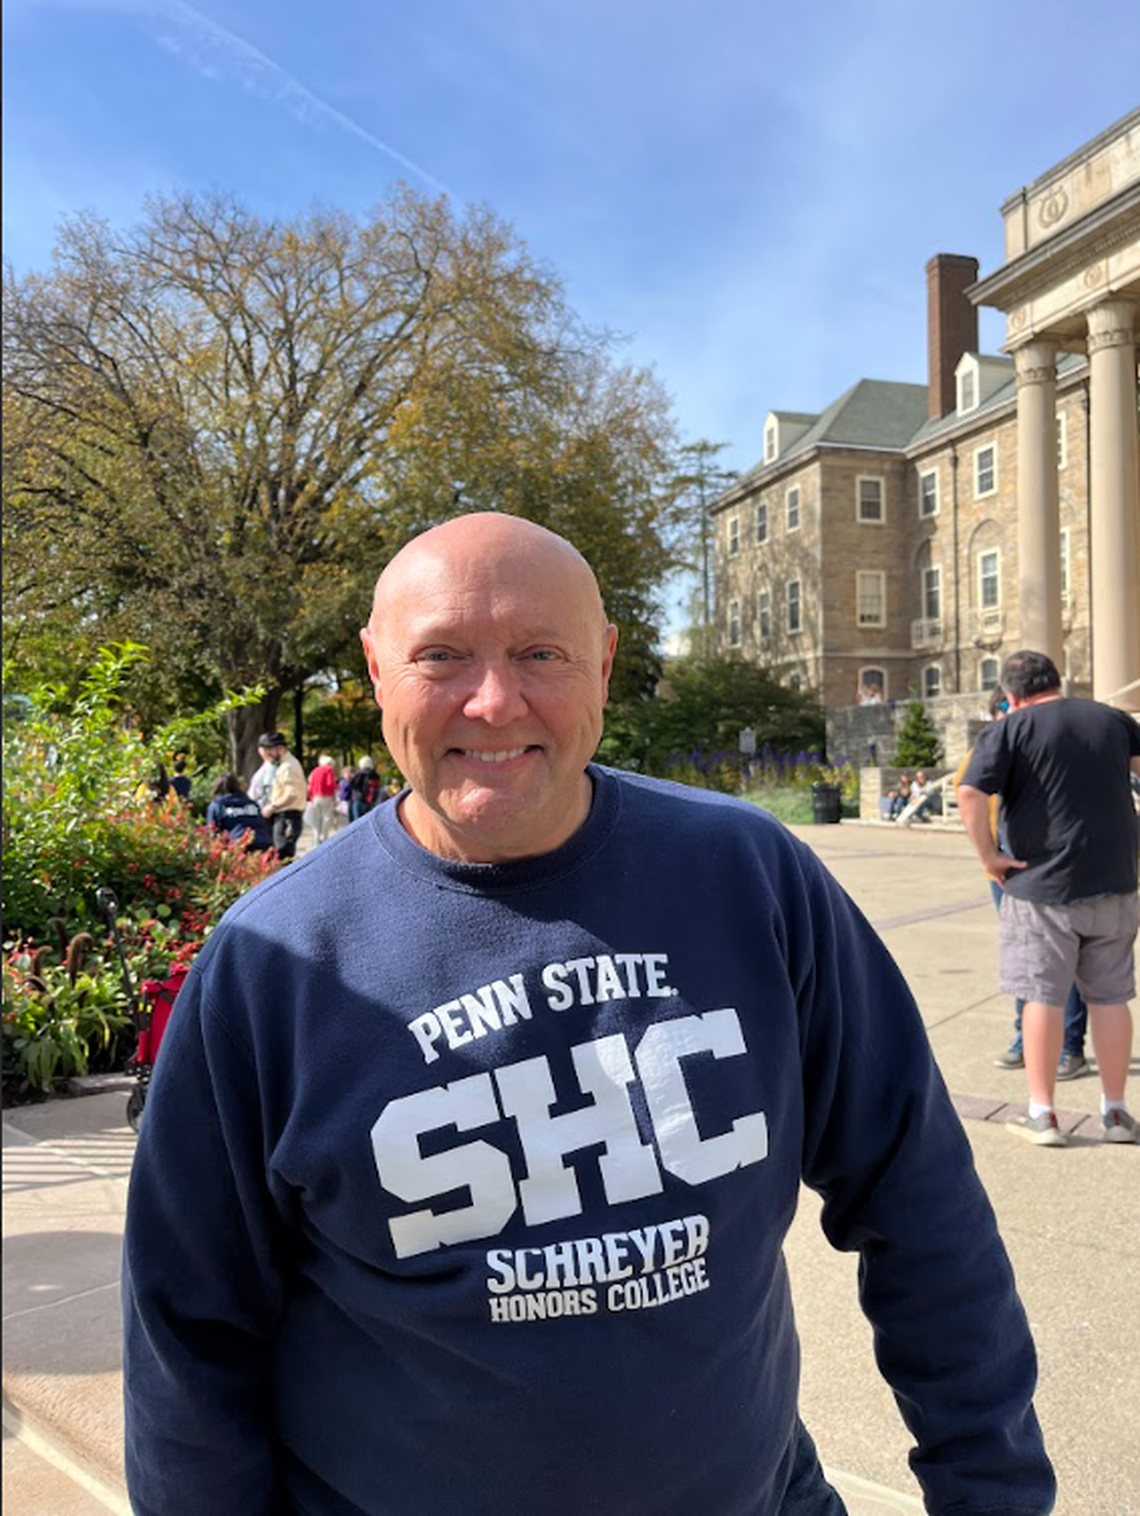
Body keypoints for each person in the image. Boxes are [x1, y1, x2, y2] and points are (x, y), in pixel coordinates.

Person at [122, 514, 1054, 1516]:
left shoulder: (748, 877)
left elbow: (920, 1202)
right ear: (376, 669)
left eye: (540, 653)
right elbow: (188, 1338)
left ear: (603, 665)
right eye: (441, 655)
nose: (492, 699)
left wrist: (990, 1486)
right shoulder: (274, 964)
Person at [959, 649, 1140, 1147]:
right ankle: (1117, 1113)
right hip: (1115, 883)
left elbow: (971, 793)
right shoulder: (1112, 720)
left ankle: (1044, 1114)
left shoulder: (1009, 730)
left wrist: (989, 856)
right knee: (1110, 998)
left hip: (1041, 886)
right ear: (1056, 682)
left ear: (1012, 695)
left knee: (1043, 996)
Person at [954, 690, 1088, 1079]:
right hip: (1007, 873)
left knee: (1064, 960)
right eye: (999, 710)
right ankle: (1024, 1039)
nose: (1005, 715)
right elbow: (968, 797)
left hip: (1055, 870)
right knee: (1025, 960)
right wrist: (989, 855)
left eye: (1008, 708)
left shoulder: (1043, 747)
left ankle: (1069, 1043)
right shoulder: (990, 747)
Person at [256, 730, 307, 861]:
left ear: (280, 748)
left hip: (287, 816)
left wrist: (272, 807)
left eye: (269, 752)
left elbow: (291, 794)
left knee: (283, 855)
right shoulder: (288, 764)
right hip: (287, 817)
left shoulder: (288, 767)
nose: (268, 756)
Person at [205, 774, 272, 852]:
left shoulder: (217, 805)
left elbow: (212, 832)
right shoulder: (252, 804)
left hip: (238, 845)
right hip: (263, 842)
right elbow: (263, 824)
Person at [307, 754, 339, 845]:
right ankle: (324, 837)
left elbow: (310, 785)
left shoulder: (314, 771)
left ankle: (316, 836)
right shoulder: (329, 770)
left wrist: (311, 797)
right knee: (327, 817)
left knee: (317, 818)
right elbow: (330, 784)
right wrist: (336, 790)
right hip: (326, 796)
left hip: (315, 797)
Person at [348, 754, 381, 820]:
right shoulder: (375, 775)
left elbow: (352, 786)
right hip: (371, 801)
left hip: (358, 800)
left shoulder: (359, 774)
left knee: (357, 822)